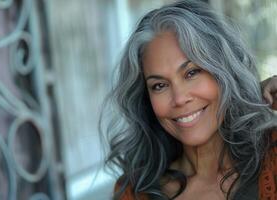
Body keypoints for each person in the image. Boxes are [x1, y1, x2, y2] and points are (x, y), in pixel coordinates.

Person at [100, 1, 277, 199]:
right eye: (159, 85)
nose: (179, 98)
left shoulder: (272, 157)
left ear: (224, 72)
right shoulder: (133, 194)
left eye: (192, 72)